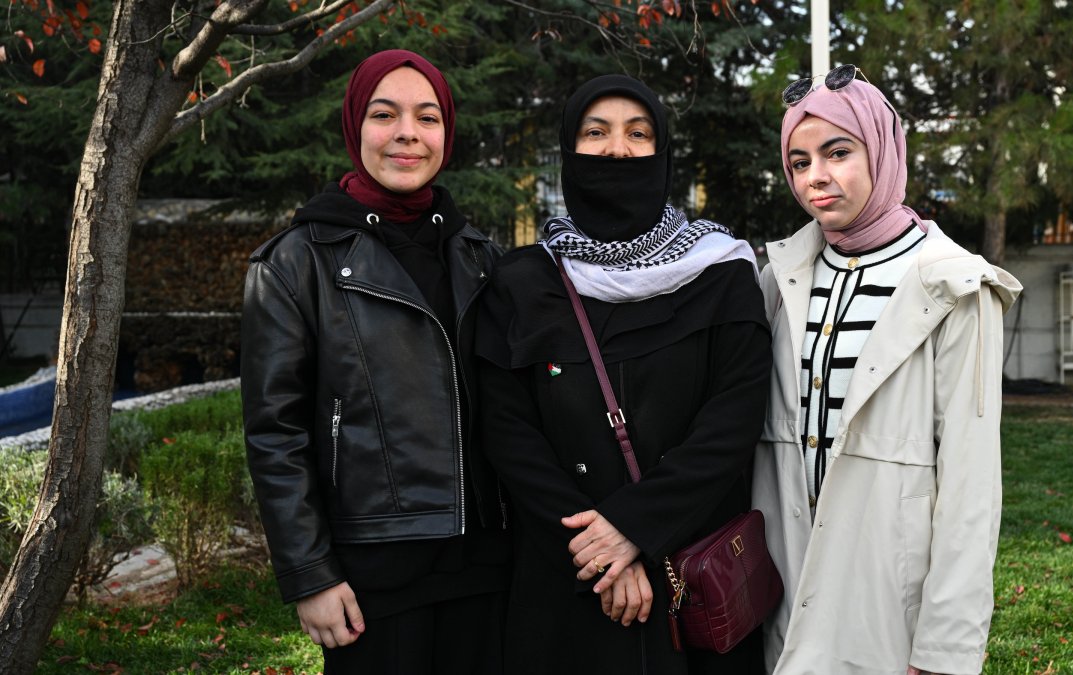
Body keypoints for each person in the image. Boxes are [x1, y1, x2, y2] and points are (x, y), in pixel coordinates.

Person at [474, 74, 771, 674]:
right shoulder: (522, 282)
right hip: (568, 579)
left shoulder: (722, 272)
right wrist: (600, 553)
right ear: (568, 150)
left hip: (692, 576)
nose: (617, 150)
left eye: (638, 134)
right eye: (596, 132)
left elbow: (732, 421)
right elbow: (508, 432)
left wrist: (634, 528)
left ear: (663, 154)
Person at [240, 49, 509, 674]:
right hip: (373, 578)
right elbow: (273, 434)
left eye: (429, 116)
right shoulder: (294, 263)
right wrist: (309, 574)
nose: (408, 134)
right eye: (385, 114)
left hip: (490, 568)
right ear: (356, 125)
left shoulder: (479, 256)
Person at [751, 65, 1023, 675]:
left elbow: (971, 485)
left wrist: (944, 648)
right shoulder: (780, 275)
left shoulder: (954, 284)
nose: (816, 177)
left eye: (837, 152)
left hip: (884, 606)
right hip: (781, 595)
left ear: (881, 148)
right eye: (798, 162)